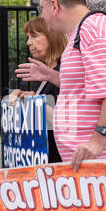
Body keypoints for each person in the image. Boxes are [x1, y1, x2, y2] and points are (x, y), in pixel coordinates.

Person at [16, 0, 106, 171]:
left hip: (105, 162)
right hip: (90, 164)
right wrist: (51, 76)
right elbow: (88, 86)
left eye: (42, 8)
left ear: (54, 6)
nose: (43, 15)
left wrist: (97, 140)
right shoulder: (79, 33)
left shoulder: (95, 28)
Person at [10, 17, 67, 163]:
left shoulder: (67, 70)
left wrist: (36, 102)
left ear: (52, 37)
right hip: (39, 157)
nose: (28, 42)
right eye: (28, 37)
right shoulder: (37, 73)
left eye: (34, 36)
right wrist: (20, 97)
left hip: (61, 157)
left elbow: (66, 122)